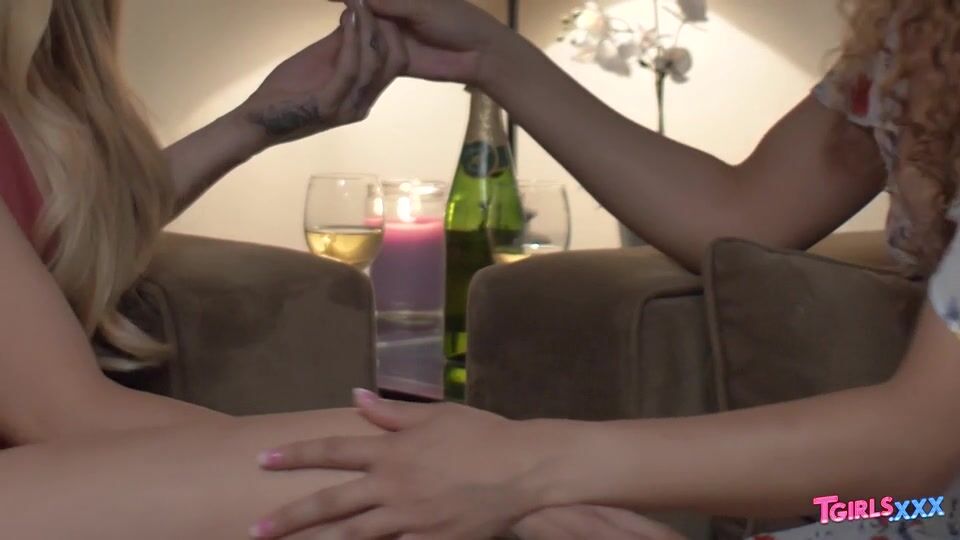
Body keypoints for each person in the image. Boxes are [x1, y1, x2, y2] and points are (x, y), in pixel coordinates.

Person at [248, 0, 960, 539]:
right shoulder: (918, 38)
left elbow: (919, 439)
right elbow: (747, 216)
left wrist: (529, 464)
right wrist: (491, 58)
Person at [0, 0, 677, 538]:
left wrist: (255, 121)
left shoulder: (40, 83)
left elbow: (56, 250)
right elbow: (66, 414)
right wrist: (517, 483)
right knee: (416, 475)